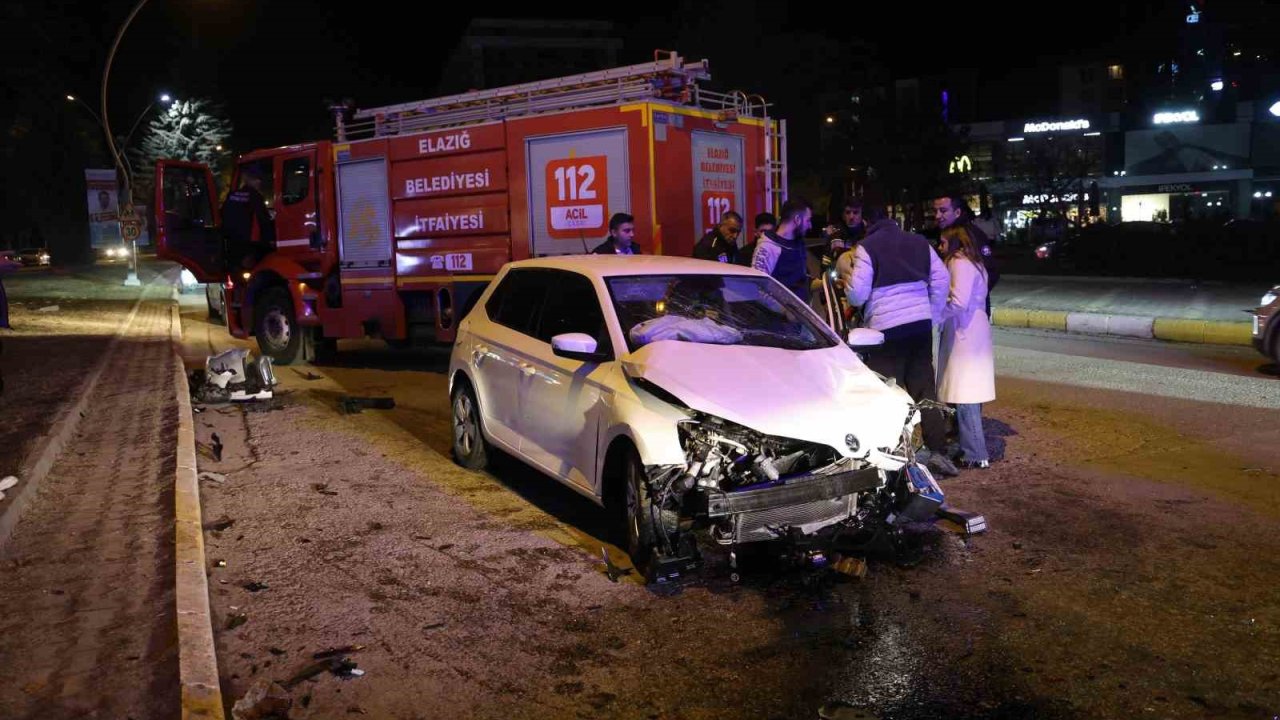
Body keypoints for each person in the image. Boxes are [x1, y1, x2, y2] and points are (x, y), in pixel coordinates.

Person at [846, 203, 958, 477]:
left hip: (886, 331)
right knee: (924, 389)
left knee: (887, 391)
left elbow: (858, 295)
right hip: (919, 326)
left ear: (867, 223)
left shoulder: (866, 247)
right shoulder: (919, 242)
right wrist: (930, 313)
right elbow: (942, 278)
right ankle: (937, 452)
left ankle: (890, 453)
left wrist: (848, 285)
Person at [936, 225, 995, 469]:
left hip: (965, 331)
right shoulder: (975, 262)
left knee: (965, 394)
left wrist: (936, 313)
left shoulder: (958, 262)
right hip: (974, 329)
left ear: (953, 243)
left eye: (942, 243)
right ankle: (969, 448)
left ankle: (975, 453)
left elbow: (958, 301)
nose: (939, 247)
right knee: (966, 393)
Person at [933, 192, 999, 314]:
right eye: (935, 211)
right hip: (954, 312)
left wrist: (974, 297)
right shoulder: (945, 234)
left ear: (957, 212)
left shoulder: (972, 236)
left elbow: (991, 270)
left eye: (943, 211)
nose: (937, 215)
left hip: (969, 314)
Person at [751, 198, 812, 300]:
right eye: (808, 220)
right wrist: (784, 311)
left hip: (799, 314)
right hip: (776, 315)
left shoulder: (798, 245)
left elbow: (801, 282)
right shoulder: (767, 247)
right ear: (797, 220)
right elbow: (758, 288)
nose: (810, 226)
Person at [221, 167, 276, 270]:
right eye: (257, 180)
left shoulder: (232, 195)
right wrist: (270, 239)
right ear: (250, 180)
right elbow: (263, 219)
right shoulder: (255, 196)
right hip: (251, 243)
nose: (259, 183)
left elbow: (224, 215)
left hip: (233, 242)